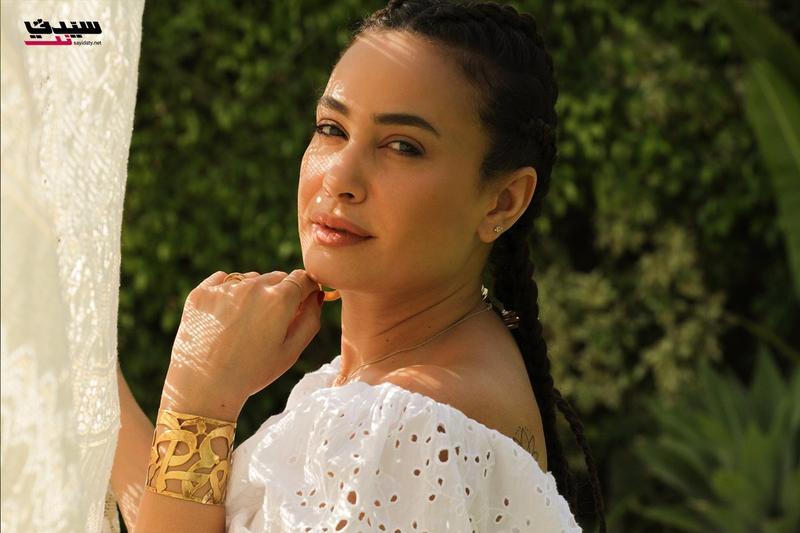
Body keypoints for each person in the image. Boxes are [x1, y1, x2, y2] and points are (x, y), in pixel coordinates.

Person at [112, 1, 605, 531]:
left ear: (502, 202)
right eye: (332, 128)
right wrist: (85, 360)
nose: (339, 177)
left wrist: (199, 400)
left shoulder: (410, 424)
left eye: (403, 146)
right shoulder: (403, 383)